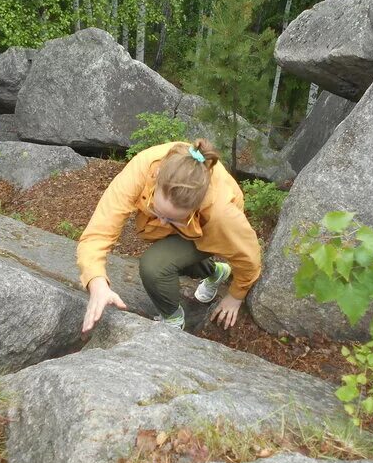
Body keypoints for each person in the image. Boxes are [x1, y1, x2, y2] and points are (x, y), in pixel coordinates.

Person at [78, 138, 262, 333]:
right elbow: (99, 231)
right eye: (158, 213)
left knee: (154, 266)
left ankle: (174, 319)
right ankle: (216, 272)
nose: (163, 223)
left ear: (195, 208)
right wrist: (96, 281)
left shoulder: (221, 213)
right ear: (157, 178)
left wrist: (236, 295)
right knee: (169, 248)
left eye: (172, 219)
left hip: (208, 225)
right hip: (189, 218)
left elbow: (247, 255)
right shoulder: (143, 168)